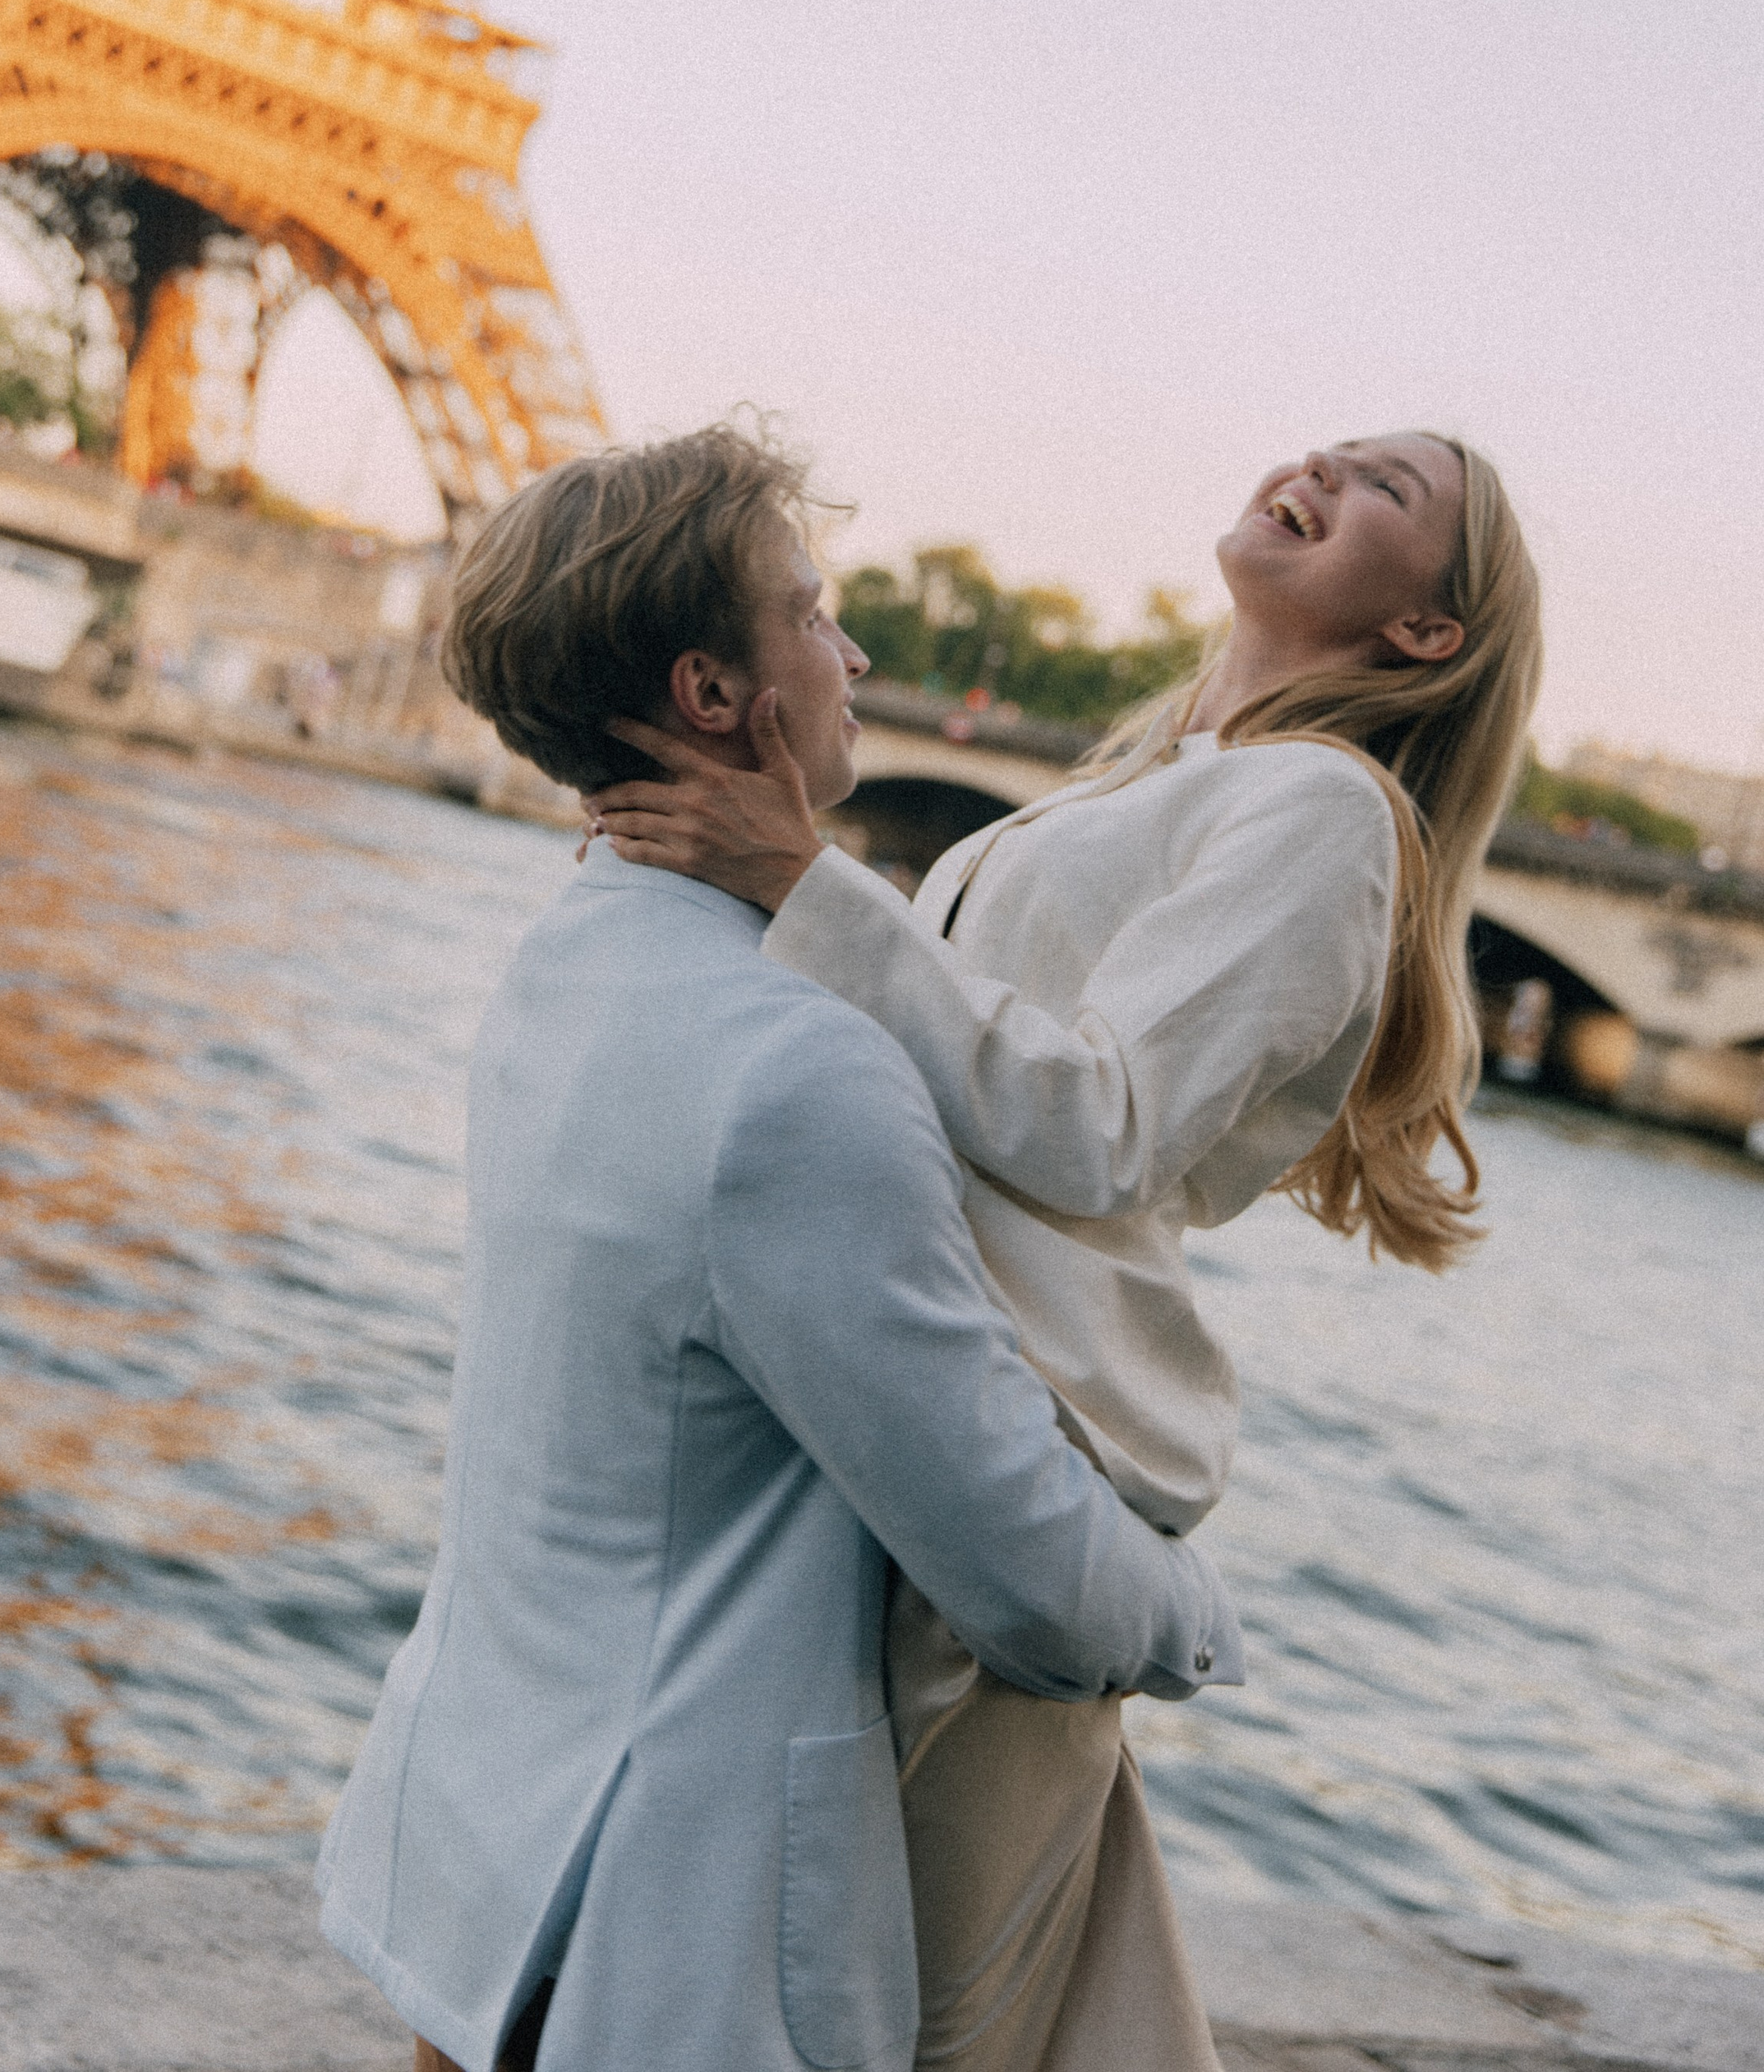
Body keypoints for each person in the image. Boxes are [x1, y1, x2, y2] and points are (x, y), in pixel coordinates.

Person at [589, 433, 1543, 2072]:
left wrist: (800, 881)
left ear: (1426, 634)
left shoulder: (1318, 805)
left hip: (1004, 1434)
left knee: (877, 2000)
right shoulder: (1163, 777)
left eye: (1387, 485)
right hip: (921, 1396)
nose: (1318, 460)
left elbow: (1100, 1118)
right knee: (908, 1992)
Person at [316, 425, 1243, 2072]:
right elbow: (1025, 1571)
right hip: (670, 1924)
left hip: (483, 1855)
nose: (849, 644)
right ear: (712, 693)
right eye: (807, 609)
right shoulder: (793, 1066)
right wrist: (1191, 1608)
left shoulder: (567, 960)